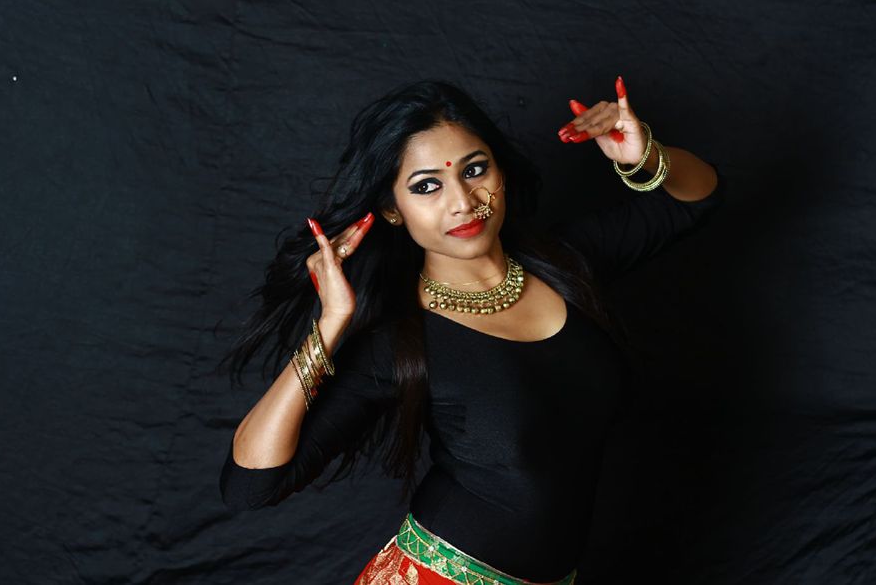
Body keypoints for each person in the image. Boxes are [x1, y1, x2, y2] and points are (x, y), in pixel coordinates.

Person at [217, 76, 725, 584]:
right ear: (392, 209)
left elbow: (694, 200)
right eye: (426, 186)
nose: (462, 201)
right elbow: (250, 485)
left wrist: (645, 156)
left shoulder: (565, 264)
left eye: (475, 169)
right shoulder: (401, 340)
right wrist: (330, 324)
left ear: (500, 170)